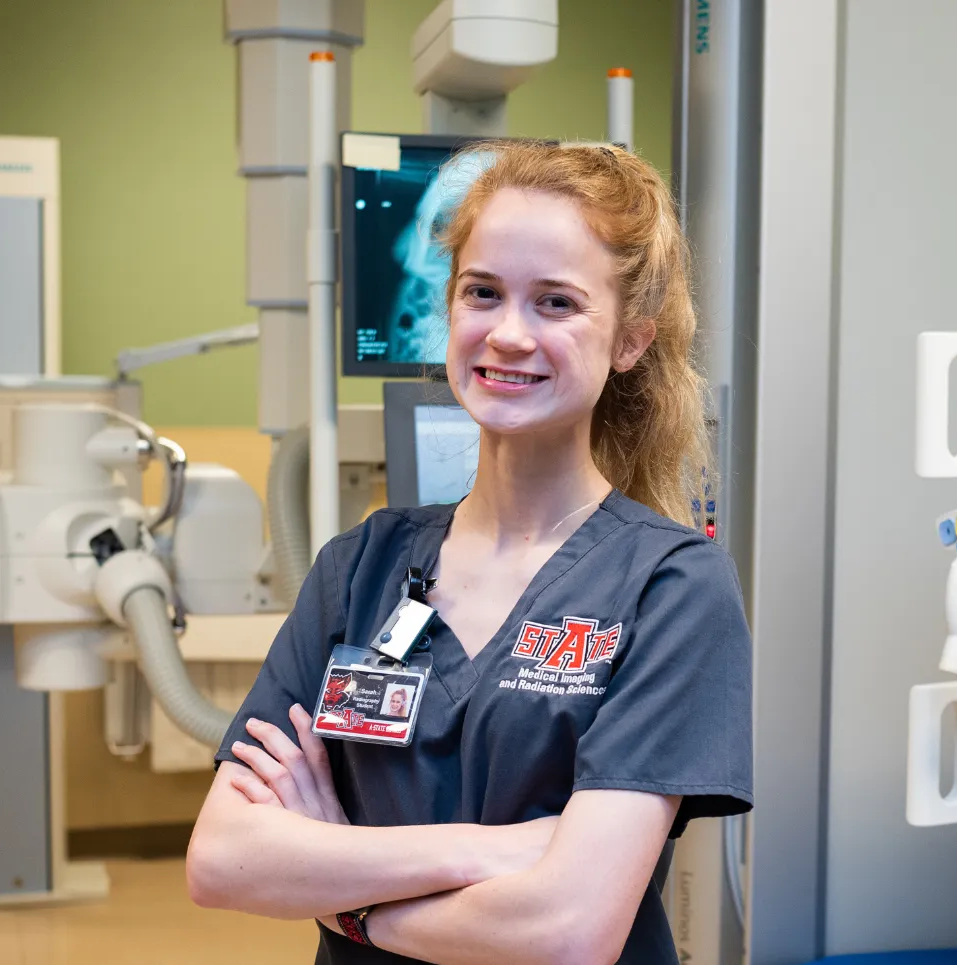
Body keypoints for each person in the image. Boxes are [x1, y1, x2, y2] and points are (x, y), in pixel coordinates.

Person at [185, 141, 755, 965]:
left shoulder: (671, 586)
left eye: (556, 302)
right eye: (482, 292)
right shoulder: (361, 566)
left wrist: (346, 898)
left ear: (630, 341)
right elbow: (221, 859)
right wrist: (491, 850)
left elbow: (568, 932)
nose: (509, 334)